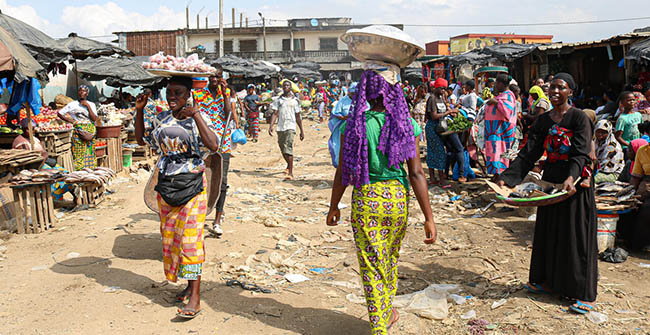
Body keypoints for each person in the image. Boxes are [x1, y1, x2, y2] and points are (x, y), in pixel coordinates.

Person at [326, 69, 437, 335]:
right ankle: (385, 313)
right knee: (388, 259)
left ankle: (379, 325)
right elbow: (416, 173)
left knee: (371, 263)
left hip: (366, 199)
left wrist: (333, 206)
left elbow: (343, 171)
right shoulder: (405, 124)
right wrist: (428, 217)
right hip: (397, 200)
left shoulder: (355, 124)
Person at [498, 73, 598, 315]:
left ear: (570, 92)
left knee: (575, 238)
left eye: (560, 88)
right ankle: (545, 282)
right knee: (549, 232)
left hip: (574, 182)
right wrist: (506, 178)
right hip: (551, 181)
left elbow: (581, 153)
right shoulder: (543, 121)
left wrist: (571, 178)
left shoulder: (579, 118)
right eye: (551, 87)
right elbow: (528, 153)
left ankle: (582, 293)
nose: (554, 91)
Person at [135, 76, 219, 319]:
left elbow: (213, 145)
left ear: (188, 94)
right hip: (167, 185)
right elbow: (143, 140)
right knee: (173, 239)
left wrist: (197, 116)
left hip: (193, 186)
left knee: (191, 241)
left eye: (178, 93)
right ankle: (188, 285)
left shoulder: (199, 117)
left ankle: (195, 297)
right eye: (169, 92)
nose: (172, 97)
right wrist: (139, 112)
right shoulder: (161, 118)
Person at [192, 69, 233, 237]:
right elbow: (195, 114)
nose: (215, 79)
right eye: (212, 76)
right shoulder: (199, 94)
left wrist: (225, 94)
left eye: (218, 76)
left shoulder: (226, 92)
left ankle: (217, 218)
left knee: (221, 180)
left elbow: (229, 113)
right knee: (201, 180)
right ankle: (200, 215)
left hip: (223, 143)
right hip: (203, 142)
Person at [269, 80, 305, 181]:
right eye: (284, 85)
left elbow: (298, 116)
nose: (285, 87)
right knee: (282, 147)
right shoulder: (278, 100)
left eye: (287, 85)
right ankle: (289, 165)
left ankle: (291, 172)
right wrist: (271, 126)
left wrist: (301, 130)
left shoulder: (295, 101)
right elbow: (275, 113)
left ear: (290, 87)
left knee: (288, 147)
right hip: (281, 127)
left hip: (291, 126)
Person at [57, 85, 97, 171]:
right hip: (78, 131)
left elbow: (94, 118)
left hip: (90, 131)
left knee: (89, 151)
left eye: (84, 91)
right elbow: (60, 113)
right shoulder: (72, 104)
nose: (81, 93)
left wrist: (88, 106)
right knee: (78, 152)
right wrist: (71, 121)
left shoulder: (91, 104)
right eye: (80, 91)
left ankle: (90, 170)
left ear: (87, 93)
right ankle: (79, 170)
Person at [484, 74, 517, 175]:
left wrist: (496, 102)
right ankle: (495, 174)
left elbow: (507, 111)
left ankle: (500, 175)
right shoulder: (502, 95)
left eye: (497, 83)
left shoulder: (508, 96)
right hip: (494, 132)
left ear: (501, 83)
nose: (495, 85)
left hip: (501, 133)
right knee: (494, 153)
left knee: (500, 154)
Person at [329, 82, 365, 167]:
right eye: (353, 93)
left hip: (359, 128)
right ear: (349, 92)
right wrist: (343, 117)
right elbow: (336, 113)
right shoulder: (343, 101)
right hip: (345, 128)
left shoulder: (362, 100)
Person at [425, 79, 452, 186]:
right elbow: (434, 116)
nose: (443, 90)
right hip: (433, 127)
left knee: (435, 151)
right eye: (441, 88)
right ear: (436, 87)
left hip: (440, 127)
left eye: (444, 88)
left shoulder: (441, 98)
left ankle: (433, 178)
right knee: (438, 152)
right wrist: (448, 112)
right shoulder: (432, 98)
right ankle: (440, 179)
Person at [625, 141, 650, 251]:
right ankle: (634, 244)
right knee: (632, 207)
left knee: (647, 208)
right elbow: (635, 177)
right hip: (646, 185)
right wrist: (630, 195)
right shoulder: (642, 151)